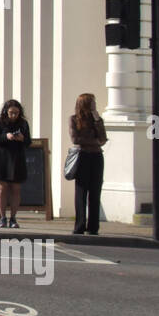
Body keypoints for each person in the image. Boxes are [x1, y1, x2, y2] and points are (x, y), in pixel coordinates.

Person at [69, 93, 107, 235]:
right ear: (85, 104)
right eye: (91, 102)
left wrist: (97, 121)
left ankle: (93, 227)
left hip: (96, 156)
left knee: (95, 192)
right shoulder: (74, 119)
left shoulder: (97, 120)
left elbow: (103, 138)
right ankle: (79, 225)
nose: (94, 105)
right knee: (81, 192)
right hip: (83, 156)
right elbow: (75, 139)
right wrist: (95, 140)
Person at [0, 99, 30, 228]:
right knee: (2, 188)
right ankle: (2, 217)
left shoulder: (23, 123)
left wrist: (22, 138)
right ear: (5, 111)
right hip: (1, 159)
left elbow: (28, 142)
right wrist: (5, 136)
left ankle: (13, 218)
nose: (13, 115)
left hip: (17, 159)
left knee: (16, 188)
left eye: (16, 113)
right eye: (11, 112)